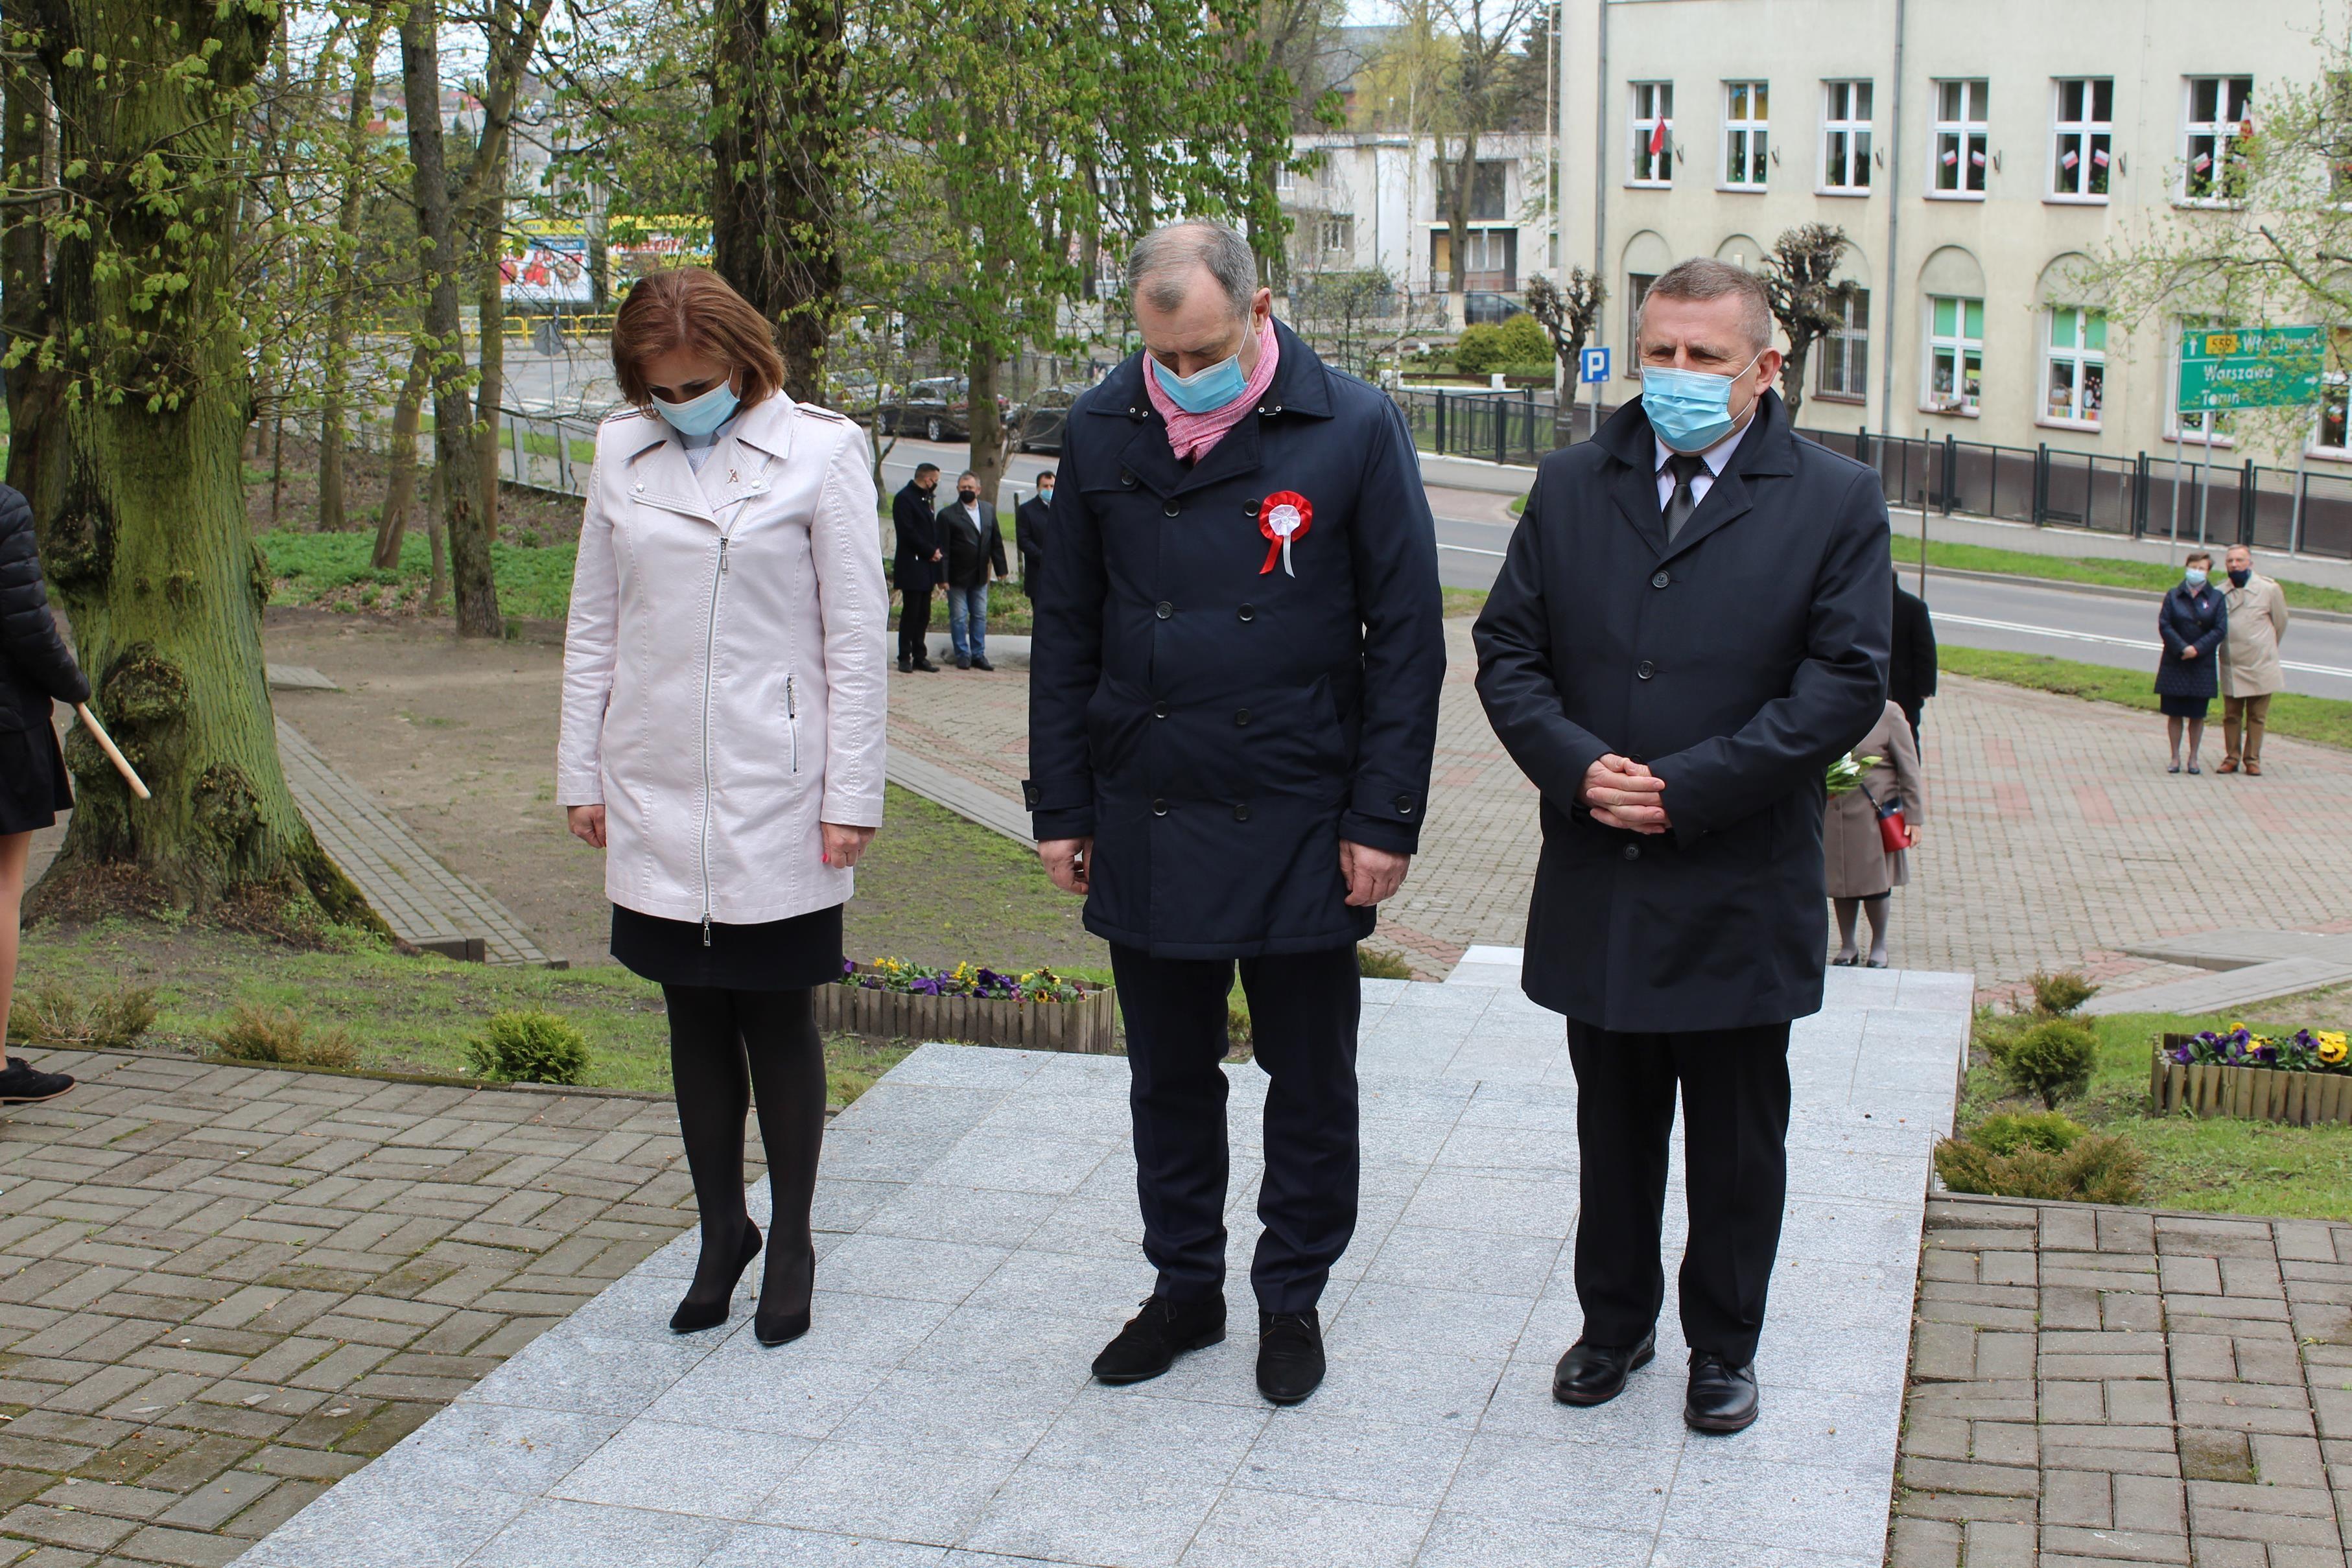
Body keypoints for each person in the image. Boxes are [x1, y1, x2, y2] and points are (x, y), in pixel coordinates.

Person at [1027, 219, 1443, 1407]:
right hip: (1146, 800)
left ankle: (1291, 1294)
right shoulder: (1104, 423)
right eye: (1162, 354)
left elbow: (1406, 641)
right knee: (1166, 1073)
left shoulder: (1352, 424)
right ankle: (1184, 1288)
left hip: (1304, 806)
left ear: (1260, 312)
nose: (1180, 375)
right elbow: (1066, 633)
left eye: (1205, 349)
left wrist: (1385, 817)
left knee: (1308, 1076)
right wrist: (1061, 802)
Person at [1473, 257, 1890, 1436]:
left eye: (1704, 357)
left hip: (1736, 881)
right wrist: (1572, 761)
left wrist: (1693, 786)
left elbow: (1844, 681)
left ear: (1765, 368)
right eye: (1659, 350)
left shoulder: (1833, 498)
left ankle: (1723, 1343)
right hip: (1600, 873)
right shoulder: (1567, 484)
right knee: (1611, 1131)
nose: (1675, 375)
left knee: (1734, 1139)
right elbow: (1508, 650)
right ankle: (1612, 1324)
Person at [558, 266, 888, 1346]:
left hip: (775, 787)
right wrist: (581, 770)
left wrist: (850, 795)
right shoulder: (620, 450)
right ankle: (719, 1228)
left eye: (699, 381)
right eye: (660, 386)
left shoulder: (822, 451)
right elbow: (595, 624)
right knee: (689, 1009)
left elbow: (852, 637)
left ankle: (790, 1236)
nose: (680, 400)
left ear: (744, 362)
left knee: (774, 1011)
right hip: (653, 779)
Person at [0, 483, 85, 1108]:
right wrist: (72, 683)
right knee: (1, 888)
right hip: (2, 729)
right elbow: (27, 625)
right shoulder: (5, 508)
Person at [1826, 699, 1925, 969]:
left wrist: (1914, 817)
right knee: (1841, 882)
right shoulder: (1830, 708)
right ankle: (1848, 946)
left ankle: (1879, 944)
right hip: (1835, 813)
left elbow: (1909, 768)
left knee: (1876, 882)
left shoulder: (1889, 713)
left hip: (1873, 813)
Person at [2217, 544, 2288, 777]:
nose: (2235, 565)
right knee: (2231, 715)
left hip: (2261, 664)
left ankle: (2253, 759)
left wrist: (2264, 647)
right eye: (2231, 561)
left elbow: (2280, 623)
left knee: (2257, 716)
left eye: (2240, 560)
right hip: (2232, 663)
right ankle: (2232, 757)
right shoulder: (2220, 592)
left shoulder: (2269, 589)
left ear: (2250, 563)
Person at [2156, 550, 2226, 775]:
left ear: (2208, 572)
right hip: (2175, 662)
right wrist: (2182, 647)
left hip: (2201, 664)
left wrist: (2197, 649)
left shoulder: (2216, 598)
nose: (2196, 572)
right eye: (2193, 567)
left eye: (2202, 568)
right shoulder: (2174, 595)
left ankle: (2194, 758)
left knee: (2197, 714)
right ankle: (2175, 757)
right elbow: (2165, 624)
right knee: (2174, 712)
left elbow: (2220, 629)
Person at [941, 471, 1007, 670]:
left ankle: (978, 654)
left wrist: (1001, 568)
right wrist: (943, 578)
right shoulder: (947, 515)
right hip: (957, 576)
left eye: (970, 488)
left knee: (979, 615)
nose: (967, 491)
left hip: (980, 575)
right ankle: (963, 654)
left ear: (978, 490)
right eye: (963, 488)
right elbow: (943, 549)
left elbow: (995, 541)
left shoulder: (988, 510)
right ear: (958, 490)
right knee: (959, 616)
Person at [893, 463, 943, 672]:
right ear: (928, 479)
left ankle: (920, 655)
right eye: (936, 480)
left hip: (926, 566)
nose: (936, 485)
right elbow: (908, 532)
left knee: (924, 613)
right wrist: (930, 551)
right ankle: (905, 655)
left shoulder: (925, 500)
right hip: (912, 564)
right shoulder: (905, 499)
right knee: (911, 612)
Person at [1889, 580, 1938, 747]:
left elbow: (1925, 651)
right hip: (1897, 688)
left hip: (1904, 690)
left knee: (1908, 736)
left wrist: (1925, 687)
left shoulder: (1914, 607)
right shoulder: (1867, 604)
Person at [1015, 469, 1055, 595]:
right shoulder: (1027, 510)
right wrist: (1043, 557)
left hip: (1060, 576)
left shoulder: (1064, 509)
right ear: (1038, 488)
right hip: (1038, 575)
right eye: (1045, 486)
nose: (1049, 489)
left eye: (1052, 486)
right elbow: (1023, 541)